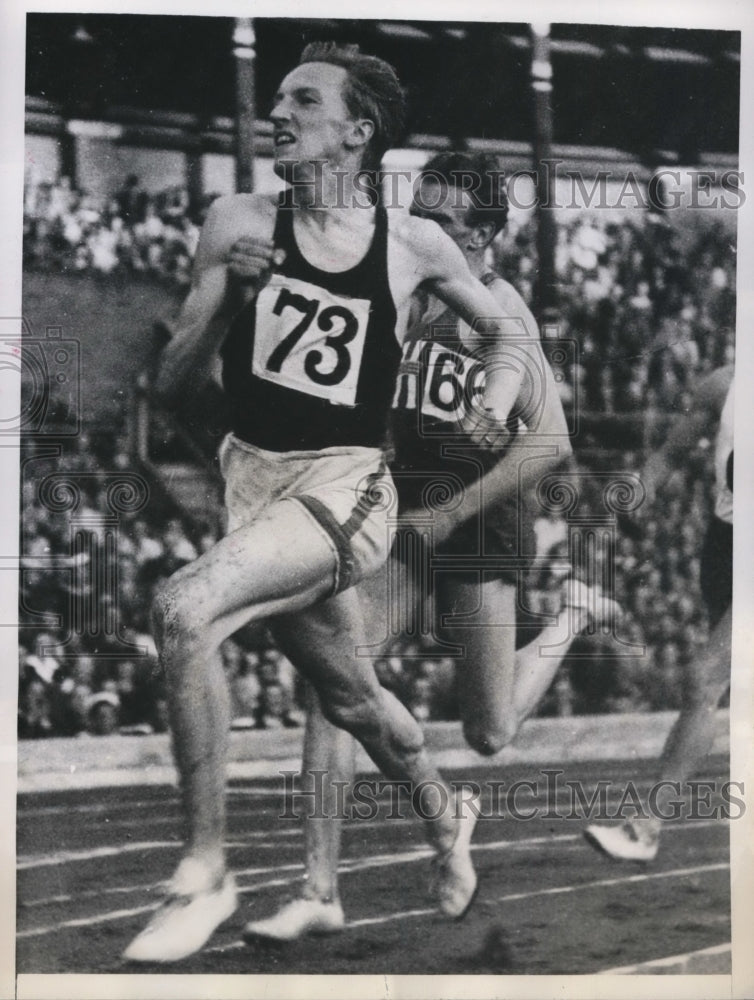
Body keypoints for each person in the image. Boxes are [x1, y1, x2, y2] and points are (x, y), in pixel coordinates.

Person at [124, 44, 536, 963]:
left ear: (357, 132)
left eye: (302, 101)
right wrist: (228, 298)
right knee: (352, 698)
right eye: (275, 98)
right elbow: (173, 380)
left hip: (347, 494)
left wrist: (497, 400)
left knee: (182, 608)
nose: (278, 112)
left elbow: (506, 324)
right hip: (253, 483)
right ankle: (445, 816)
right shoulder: (235, 217)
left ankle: (204, 871)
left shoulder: (412, 243)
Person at [242, 152, 620, 942]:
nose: (415, 228)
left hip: (480, 519)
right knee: (334, 675)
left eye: (439, 218)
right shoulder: (405, 290)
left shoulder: (501, 305)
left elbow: (548, 443)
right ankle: (320, 886)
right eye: (413, 211)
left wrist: (452, 515)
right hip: (407, 508)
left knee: (488, 732)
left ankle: (570, 617)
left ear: (482, 234)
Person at [584, 364, 733, 861]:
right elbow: (669, 455)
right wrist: (630, 498)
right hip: (725, 546)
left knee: (705, 680)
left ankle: (646, 826)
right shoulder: (724, 384)